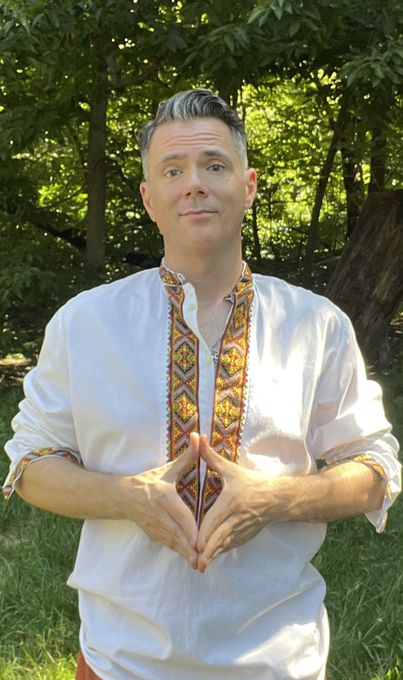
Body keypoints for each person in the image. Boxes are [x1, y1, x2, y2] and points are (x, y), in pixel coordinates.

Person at [3, 89, 401, 680]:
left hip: (276, 661)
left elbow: (375, 467)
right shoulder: (85, 323)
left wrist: (277, 500)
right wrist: (126, 498)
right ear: (149, 199)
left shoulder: (315, 324)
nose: (194, 184)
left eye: (215, 165)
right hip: (122, 660)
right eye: (173, 170)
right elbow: (30, 463)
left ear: (249, 186)